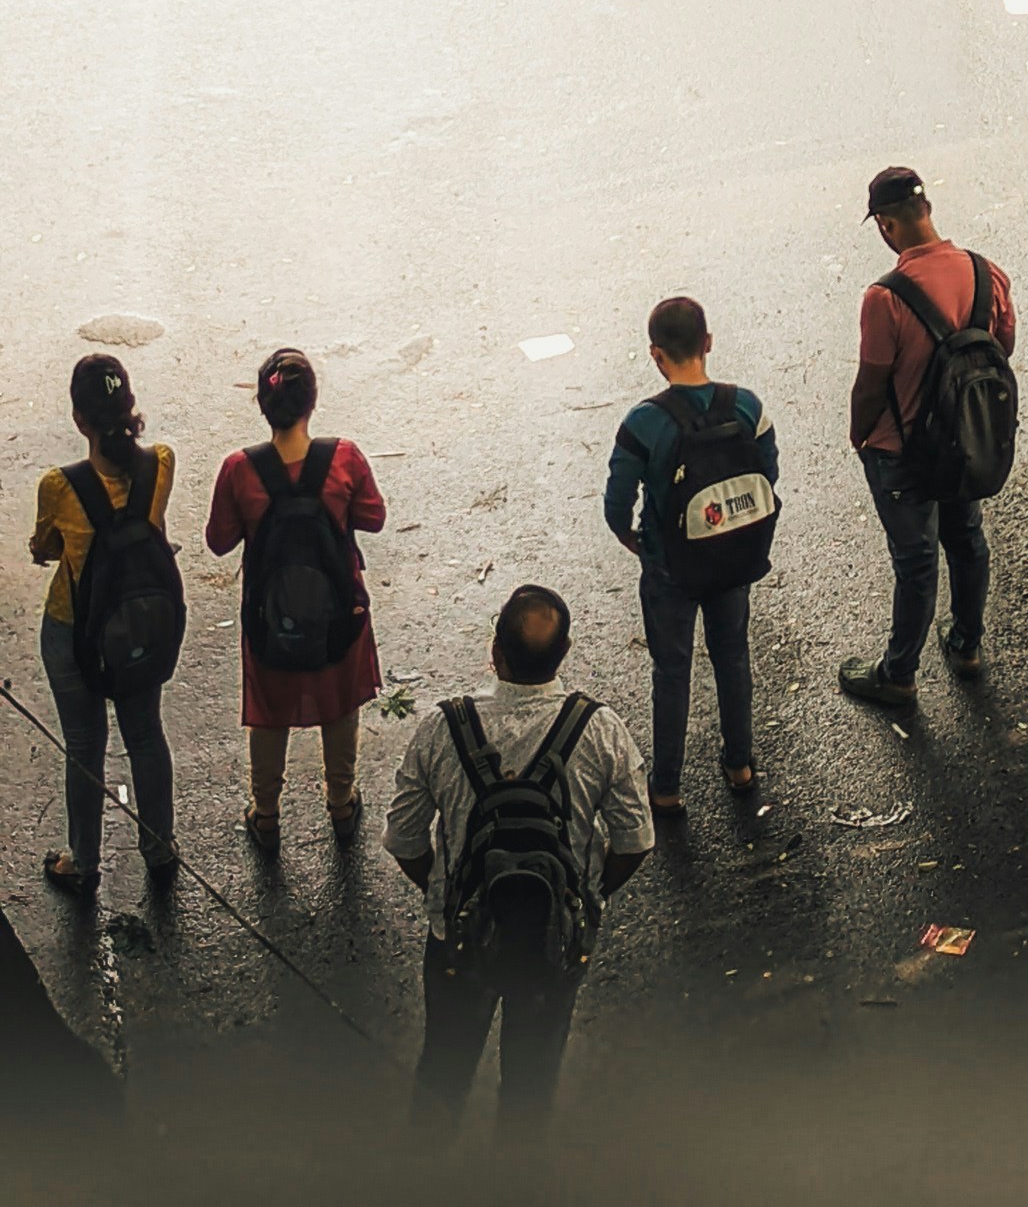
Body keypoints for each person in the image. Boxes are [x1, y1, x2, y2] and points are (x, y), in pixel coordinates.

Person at [385, 584, 653, 1132]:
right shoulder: (600, 730)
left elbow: (405, 839)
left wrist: (446, 893)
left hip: (458, 938)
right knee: (532, 1083)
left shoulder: (442, 728)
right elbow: (635, 840)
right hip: (553, 940)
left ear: (495, 651)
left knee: (443, 1068)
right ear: (566, 652)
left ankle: (423, 1174)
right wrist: (590, 893)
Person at [839, 168, 1015, 710]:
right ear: (929, 209)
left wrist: (859, 435)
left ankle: (900, 674)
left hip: (903, 452)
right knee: (966, 538)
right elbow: (1001, 348)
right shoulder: (988, 274)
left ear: (886, 226)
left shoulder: (884, 298)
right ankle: (965, 646)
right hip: (964, 440)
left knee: (915, 562)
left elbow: (873, 381)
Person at [206, 348, 386, 849]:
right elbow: (373, 517)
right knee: (340, 701)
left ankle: (265, 814)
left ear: (263, 405)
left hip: (270, 615)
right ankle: (342, 804)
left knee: (269, 708)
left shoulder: (239, 469)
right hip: (338, 610)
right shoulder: (343, 457)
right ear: (312, 402)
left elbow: (219, 540)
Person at [604, 296, 778, 813]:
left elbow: (618, 499)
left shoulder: (643, 422)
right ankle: (740, 764)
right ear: (708, 342)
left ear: (656, 355)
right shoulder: (747, 406)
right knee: (732, 654)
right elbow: (767, 474)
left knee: (672, 669)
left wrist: (633, 539)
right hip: (733, 557)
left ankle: (666, 786)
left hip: (670, 566)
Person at [27, 354, 178, 895]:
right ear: (130, 407)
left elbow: (47, 547)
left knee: (85, 744)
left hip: (75, 631)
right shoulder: (160, 462)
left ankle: (83, 863)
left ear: (78, 419)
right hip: (141, 624)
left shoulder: (59, 486)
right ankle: (160, 849)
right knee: (144, 735)